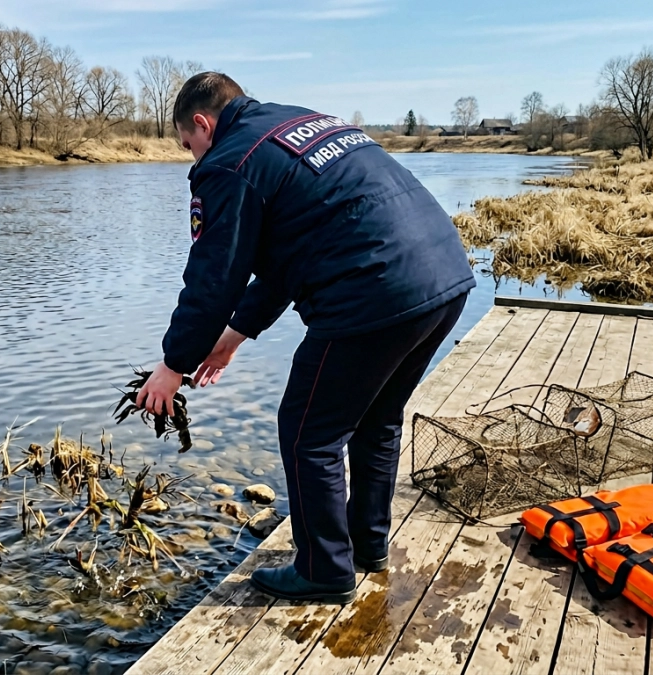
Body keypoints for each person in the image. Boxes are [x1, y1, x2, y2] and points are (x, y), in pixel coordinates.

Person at [136, 72, 475, 604]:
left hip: (374, 291)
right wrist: (235, 335)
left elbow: (213, 276)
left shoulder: (227, 163)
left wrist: (172, 364)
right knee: (376, 419)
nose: (191, 158)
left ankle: (324, 570)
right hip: (445, 277)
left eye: (187, 145)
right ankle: (367, 546)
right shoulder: (299, 122)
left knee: (307, 431)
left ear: (202, 124)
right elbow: (292, 251)